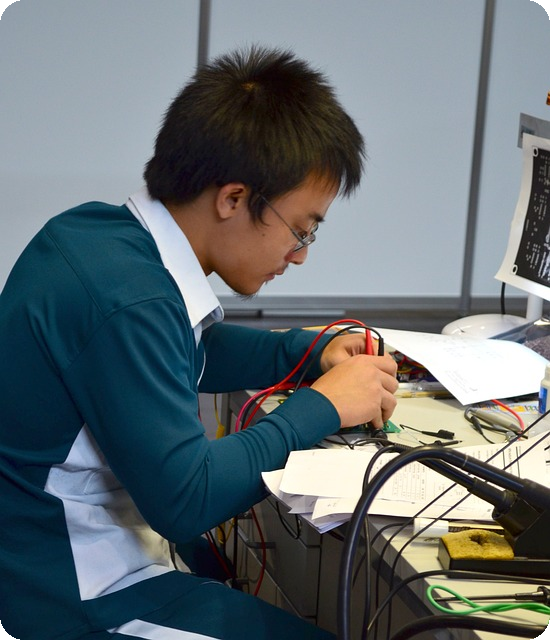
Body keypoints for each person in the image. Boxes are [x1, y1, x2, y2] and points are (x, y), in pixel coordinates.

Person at [0, 45, 398, 640]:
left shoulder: (96, 234)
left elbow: (181, 352)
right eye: (300, 231)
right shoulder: (131, 299)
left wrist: (304, 351)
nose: (298, 256)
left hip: (48, 556)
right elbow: (186, 500)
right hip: (63, 592)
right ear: (233, 198)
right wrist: (323, 406)